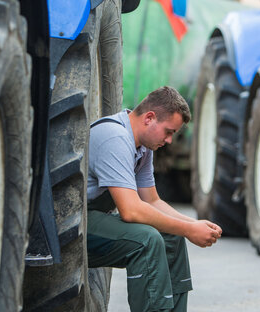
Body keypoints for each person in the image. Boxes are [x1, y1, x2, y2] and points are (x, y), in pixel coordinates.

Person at [87, 86, 222, 311]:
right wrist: (188, 230)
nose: (169, 141)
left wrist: (192, 225)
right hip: (75, 224)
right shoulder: (115, 137)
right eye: (168, 132)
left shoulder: (143, 147)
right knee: (147, 239)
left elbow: (151, 201)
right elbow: (131, 211)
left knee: (172, 236)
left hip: (97, 217)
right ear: (149, 118)